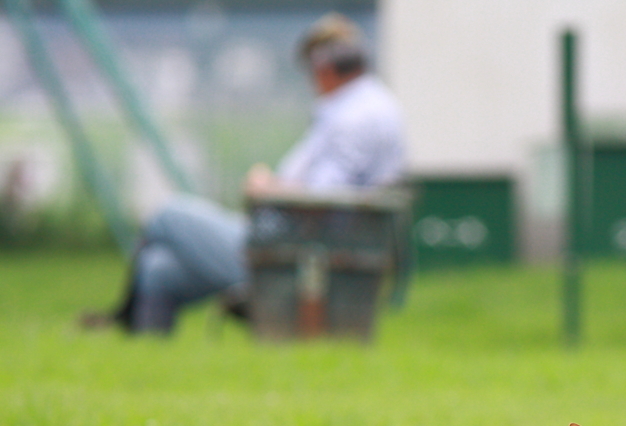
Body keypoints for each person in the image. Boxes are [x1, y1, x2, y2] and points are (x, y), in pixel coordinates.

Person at [82, 12, 405, 333]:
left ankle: (118, 319)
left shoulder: (354, 118)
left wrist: (268, 190)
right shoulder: (362, 106)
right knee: (158, 271)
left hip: (292, 251)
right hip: (295, 241)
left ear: (325, 67)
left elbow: (323, 200)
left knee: (168, 216)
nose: (310, 77)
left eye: (310, 67)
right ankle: (145, 363)